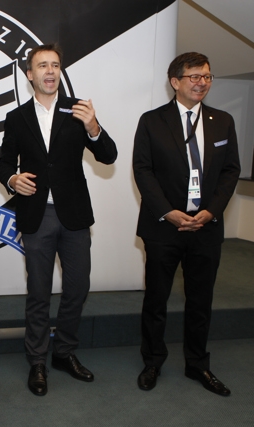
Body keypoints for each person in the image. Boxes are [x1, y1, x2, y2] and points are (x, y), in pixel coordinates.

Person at [0, 44, 117, 396]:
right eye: (42, 66)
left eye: (55, 65)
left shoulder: (79, 111)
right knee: (38, 293)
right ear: (30, 74)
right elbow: (4, 164)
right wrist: (12, 180)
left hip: (75, 216)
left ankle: (64, 352)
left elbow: (108, 155)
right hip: (37, 216)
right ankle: (37, 360)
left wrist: (93, 126)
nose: (50, 71)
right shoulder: (17, 118)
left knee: (77, 289)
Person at [133, 52, 240, 396]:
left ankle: (198, 365)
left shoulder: (223, 121)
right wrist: (168, 211)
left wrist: (212, 211)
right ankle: (152, 361)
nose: (201, 83)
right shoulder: (151, 121)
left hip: (206, 227)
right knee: (157, 299)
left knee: (201, 300)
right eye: (194, 76)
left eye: (207, 76)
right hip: (164, 227)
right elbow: (143, 171)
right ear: (175, 82)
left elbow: (230, 171)